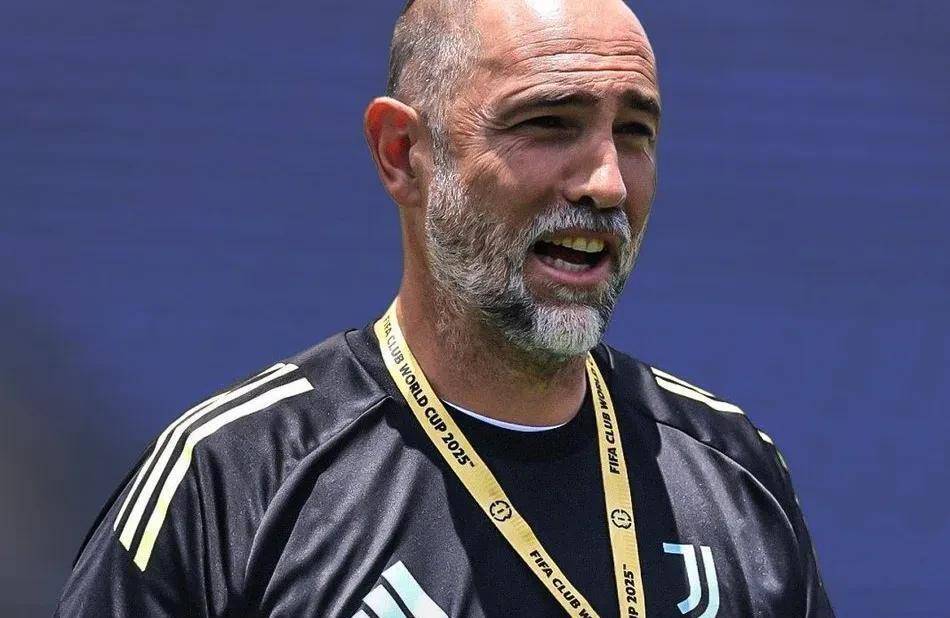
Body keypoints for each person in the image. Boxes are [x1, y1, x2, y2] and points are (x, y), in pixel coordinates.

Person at [57, 0, 835, 615]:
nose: (606, 183)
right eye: (548, 123)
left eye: (634, 132)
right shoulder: (234, 480)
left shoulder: (735, 473)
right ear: (403, 153)